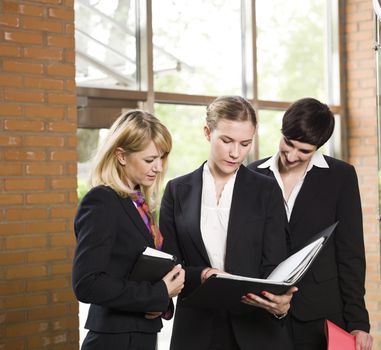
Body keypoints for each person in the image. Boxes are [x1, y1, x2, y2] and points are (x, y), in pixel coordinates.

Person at [159, 96, 297, 350]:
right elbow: (169, 265)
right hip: (196, 332)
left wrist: (280, 303)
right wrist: (202, 274)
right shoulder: (178, 190)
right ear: (207, 132)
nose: (236, 153)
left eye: (245, 144)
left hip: (256, 332)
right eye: (226, 141)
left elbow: (275, 264)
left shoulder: (266, 190)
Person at [248, 97, 373, 350]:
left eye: (304, 151)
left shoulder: (340, 176)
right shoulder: (251, 175)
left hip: (321, 316)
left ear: (318, 147)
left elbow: (351, 254)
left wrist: (358, 322)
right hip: (262, 313)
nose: (291, 156)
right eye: (288, 144)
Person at [72, 110, 185, 350]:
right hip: (114, 339)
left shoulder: (139, 203)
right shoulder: (101, 201)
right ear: (121, 156)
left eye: (162, 158)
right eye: (149, 160)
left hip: (138, 335)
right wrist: (159, 292)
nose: (158, 167)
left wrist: (162, 297)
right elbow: (87, 283)